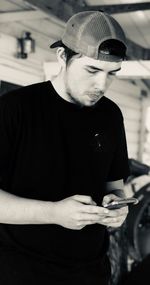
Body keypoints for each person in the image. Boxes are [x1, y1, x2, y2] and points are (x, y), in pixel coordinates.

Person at [0, 10, 130, 285]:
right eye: (92, 70)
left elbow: (114, 185)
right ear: (63, 57)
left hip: (91, 271)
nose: (102, 84)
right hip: (20, 271)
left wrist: (117, 208)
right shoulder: (14, 109)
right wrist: (54, 213)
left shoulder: (110, 115)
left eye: (112, 73)